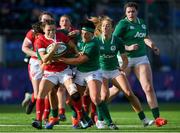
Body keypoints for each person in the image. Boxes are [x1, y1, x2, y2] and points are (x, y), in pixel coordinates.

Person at [113, 2, 167, 127]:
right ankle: (98, 109)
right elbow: (114, 41)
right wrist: (129, 47)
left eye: (133, 11)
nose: (131, 13)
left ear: (137, 12)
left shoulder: (141, 23)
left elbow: (145, 37)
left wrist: (153, 46)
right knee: (117, 90)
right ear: (125, 13)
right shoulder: (122, 24)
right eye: (128, 12)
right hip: (124, 59)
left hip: (141, 58)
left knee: (148, 87)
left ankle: (157, 118)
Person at [93, 16, 154, 128]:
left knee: (129, 93)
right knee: (104, 95)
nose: (106, 28)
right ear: (101, 28)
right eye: (103, 26)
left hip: (115, 70)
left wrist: (123, 67)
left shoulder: (117, 41)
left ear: (112, 29)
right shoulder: (96, 41)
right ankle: (100, 120)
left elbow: (124, 58)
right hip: (101, 71)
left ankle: (144, 119)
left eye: (108, 26)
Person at [59, 20, 118, 130]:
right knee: (70, 101)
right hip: (80, 72)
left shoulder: (94, 44)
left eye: (87, 34)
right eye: (83, 33)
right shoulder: (78, 36)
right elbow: (63, 35)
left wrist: (61, 59)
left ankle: (110, 123)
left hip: (93, 72)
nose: (84, 35)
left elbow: (79, 60)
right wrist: (71, 33)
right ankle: (86, 118)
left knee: (95, 98)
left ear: (92, 34)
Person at [32, 20, 89, 129]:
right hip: (50, 72)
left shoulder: (60, 35)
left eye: (53, 29)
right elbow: (44, 59)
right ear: (43, 30)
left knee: (74, 93)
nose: (51, 32)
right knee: (41, 93)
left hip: (64, 71)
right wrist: (54, 49)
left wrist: (77, 52)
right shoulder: (40, 41)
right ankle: (38, 120)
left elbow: (71, 44)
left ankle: (81, 118)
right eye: (49, 30)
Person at [21, 11, 54, 117]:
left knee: (48, 91)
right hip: (36, 63)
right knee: (39, 92)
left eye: (48, 20)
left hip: (49, 62)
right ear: (40, 21)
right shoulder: (33, 32)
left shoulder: (54, 31)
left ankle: (45, 117)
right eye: (43, 20)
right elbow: (24, 47)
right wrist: (38, 54)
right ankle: (32, 100)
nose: (45, 21)